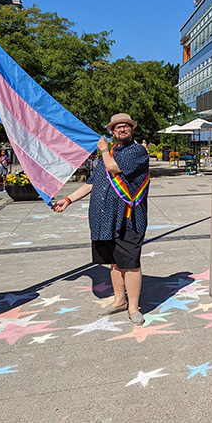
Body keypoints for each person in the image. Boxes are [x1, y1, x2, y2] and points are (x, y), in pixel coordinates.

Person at [53, 113, 150, 324]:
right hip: (105, 219)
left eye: (126, 126)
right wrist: (69, 199)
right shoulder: (111, 153)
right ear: (112, 132)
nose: (122, 129)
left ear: (132, 129)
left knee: (130, 263)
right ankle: (119, 300)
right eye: (117, 127)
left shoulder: (137, 151)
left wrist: (104, 149)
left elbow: (114, 168)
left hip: (128, 218)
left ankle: (133, 307)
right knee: (115, 262)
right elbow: (91, 183)